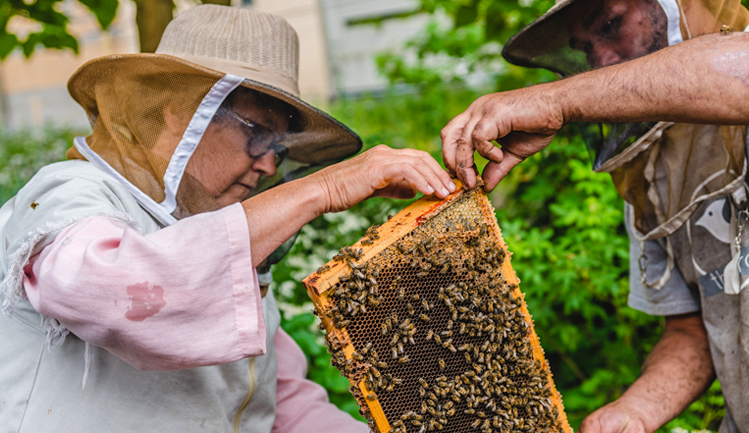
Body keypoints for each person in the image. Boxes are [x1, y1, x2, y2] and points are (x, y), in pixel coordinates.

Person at [0, 5, 457, 432]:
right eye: (257, 134)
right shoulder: (70, 193)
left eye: (279, 148)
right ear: (181, 115)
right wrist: (323, 187)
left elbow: (277, 404)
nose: (270, 167)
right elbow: (110, 291)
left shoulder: (224, 238)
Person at [441, 0, 749, 432]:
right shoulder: (650, 173)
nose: (600, 61)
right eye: (585, 49)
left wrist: (554, 100)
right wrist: (636, 410)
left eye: (611, 25)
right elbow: (695, 328)